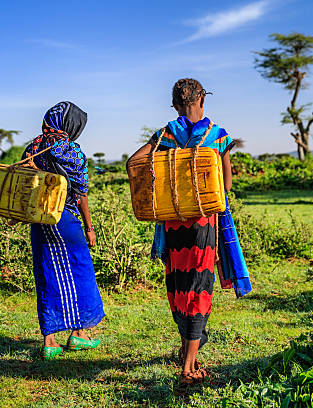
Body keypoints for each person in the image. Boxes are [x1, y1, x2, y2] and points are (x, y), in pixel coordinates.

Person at [130, 79, 235, 383]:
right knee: (199, 286)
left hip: (172, 224)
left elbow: (135, 162)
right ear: (203, 99)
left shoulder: (166, 135)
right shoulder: (218, 136)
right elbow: (226, 186)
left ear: (175, 105)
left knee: (178, 286)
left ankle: (186, 349)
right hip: (203, 223)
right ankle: (189, 367)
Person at [23, 101, 105, 360]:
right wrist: (89, 227)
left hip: (39, 219)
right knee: (80, 273)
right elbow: (80, 195)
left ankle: (50, 341)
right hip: (65, 219)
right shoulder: (70, 151)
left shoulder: (33, 147)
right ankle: (79, 334)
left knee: (47, 274)